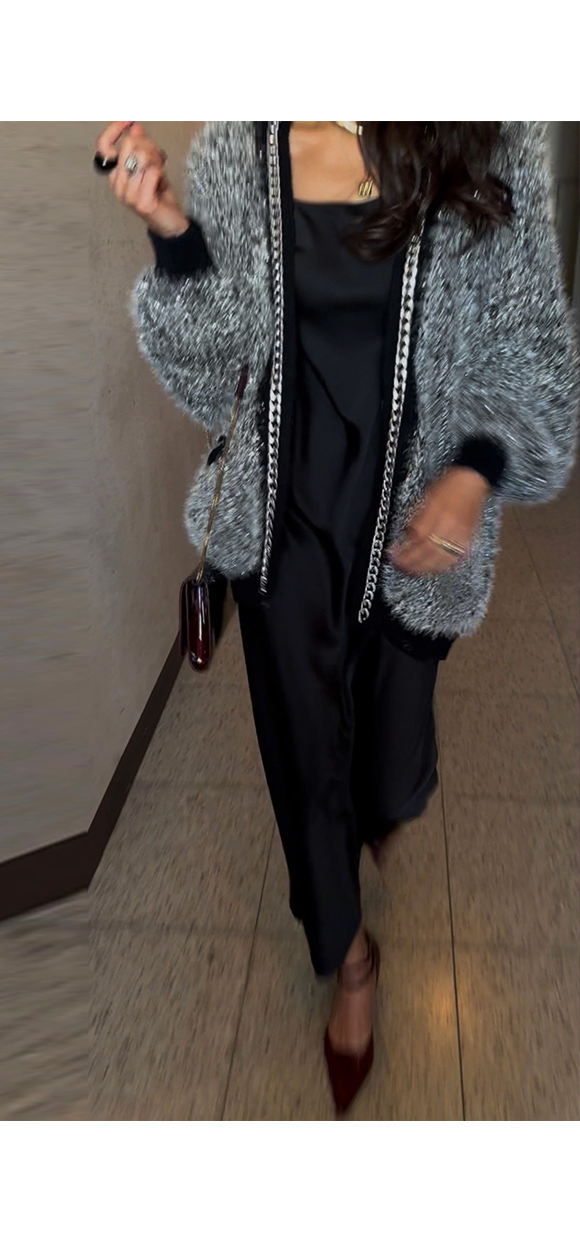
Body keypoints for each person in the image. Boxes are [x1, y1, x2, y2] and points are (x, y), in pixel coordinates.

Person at [94, 119, 579, 1115]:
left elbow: (528, 342)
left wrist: (474, 470)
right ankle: (348, 958)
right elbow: (215, 372)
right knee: (305, 764)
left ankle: (383, 804)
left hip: (411, 537)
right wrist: (175, 232)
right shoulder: (241, 146)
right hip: (285, 531)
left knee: (389, 772)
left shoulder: (488, 136)